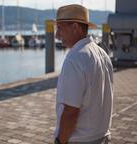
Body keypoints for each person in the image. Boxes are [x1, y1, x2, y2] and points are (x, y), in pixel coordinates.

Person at [54, 4, 113, 144]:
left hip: (81, 140)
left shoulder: (74, 59)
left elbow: (70, 112)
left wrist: (59, 141)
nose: (56, 34)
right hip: (102, 135)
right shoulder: (102, 54)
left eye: (60, 28)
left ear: (75, 27)